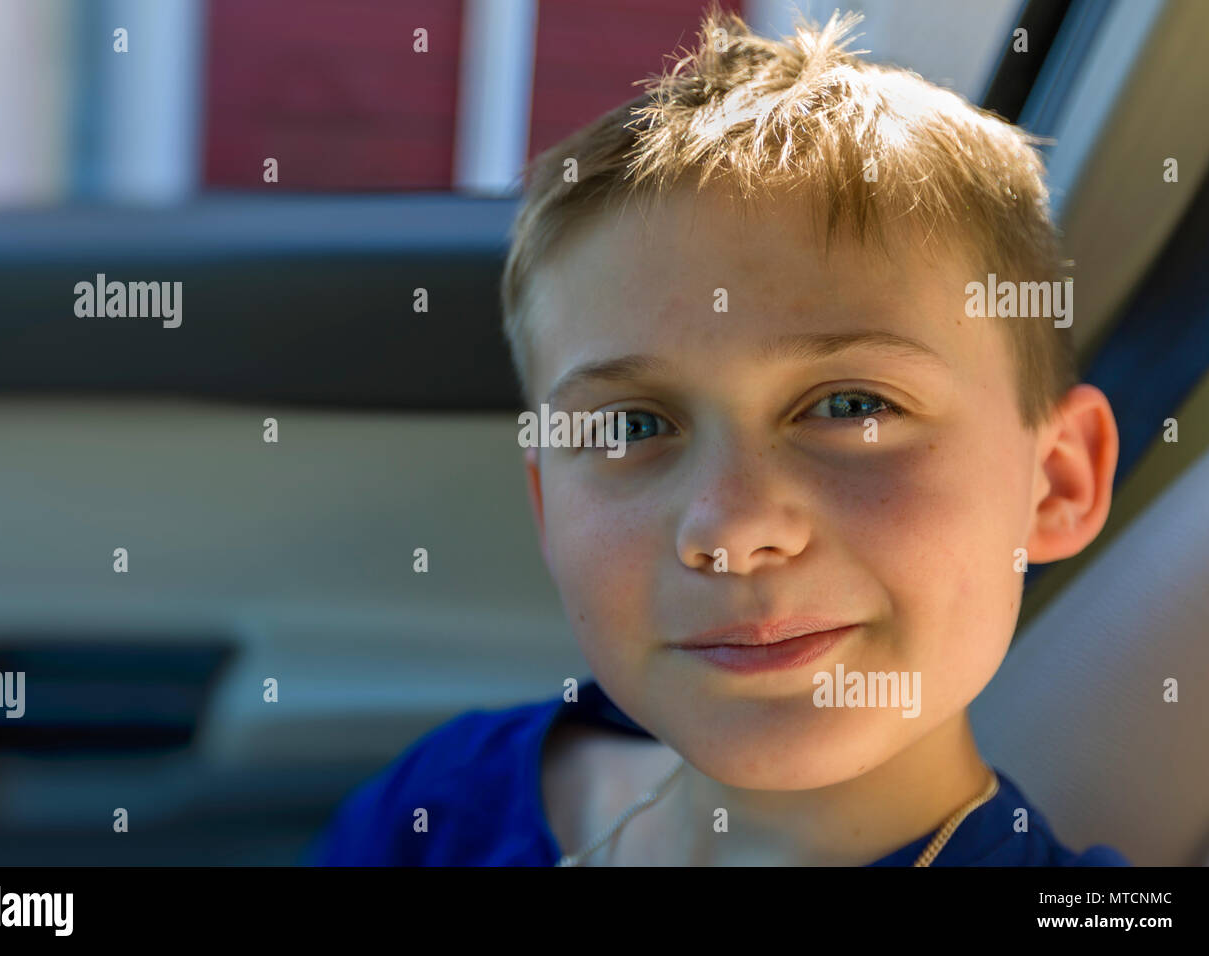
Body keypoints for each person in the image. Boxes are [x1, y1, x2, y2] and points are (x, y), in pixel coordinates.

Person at [308, 9, 1128, 866]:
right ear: (548, 510)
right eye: (633, 426)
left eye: (850, 406)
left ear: (1057, 481)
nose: (731, 530)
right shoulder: (446, 804)